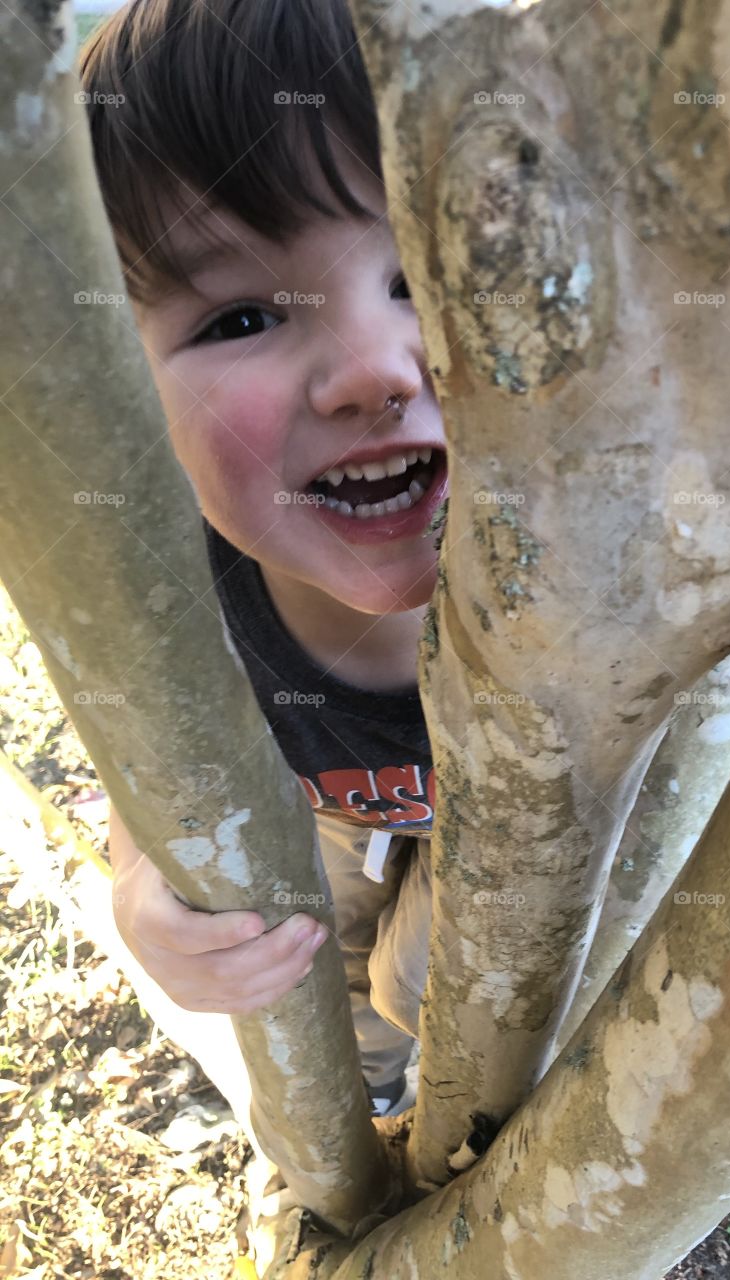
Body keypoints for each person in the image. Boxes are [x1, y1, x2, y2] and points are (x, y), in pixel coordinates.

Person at [79, 0, 442, 1119]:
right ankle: (374, 1106)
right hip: (326, 803)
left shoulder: (617, 563)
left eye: (426, 273)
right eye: (241, 319)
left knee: (429, 983)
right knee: (308, 964)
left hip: (532, 826)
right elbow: (153, 758)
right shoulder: (177, 589)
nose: (370, 371)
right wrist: (142, 887)